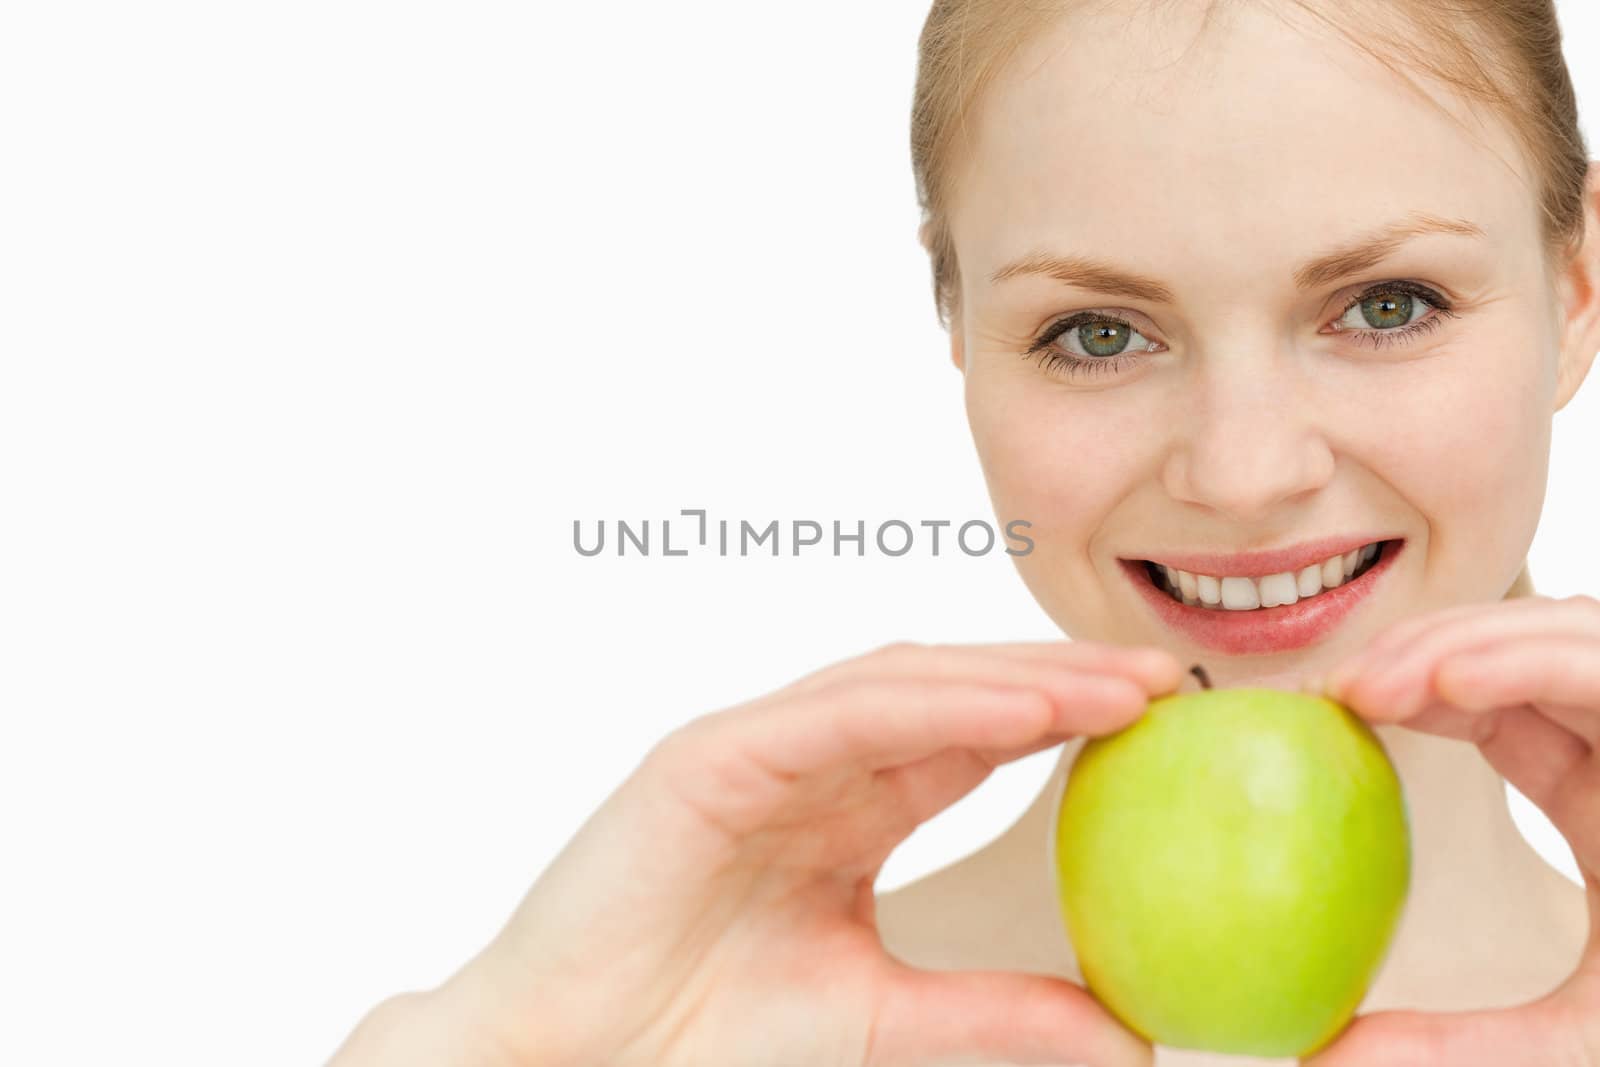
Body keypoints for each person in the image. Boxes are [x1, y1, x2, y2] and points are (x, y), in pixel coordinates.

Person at [328, 1, 1600, 1064]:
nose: (1243, 470)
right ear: (953, 320)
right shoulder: (723, 1034)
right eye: (1098, 331)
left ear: (1576, 286)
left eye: (1387, 304)